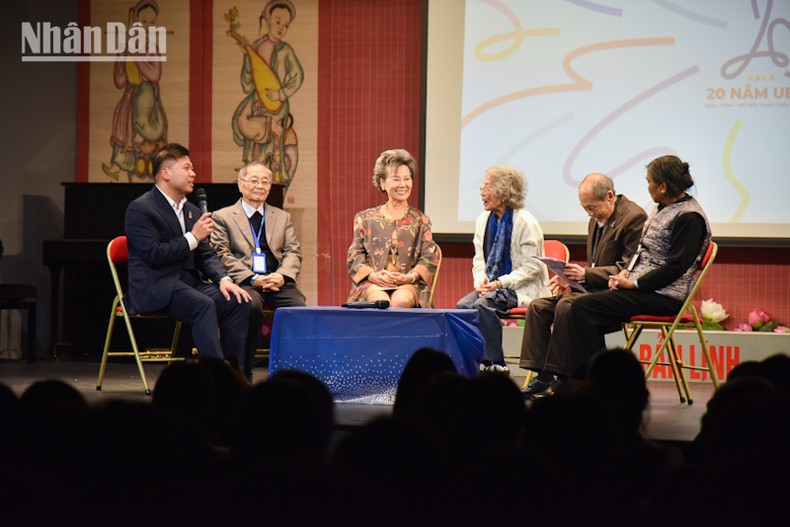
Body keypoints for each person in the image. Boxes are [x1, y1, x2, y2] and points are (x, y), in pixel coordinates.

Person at [546, 155, 711, 384]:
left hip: (664, 296)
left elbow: (675, 267)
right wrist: (625, 273)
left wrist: (634, 283)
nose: (648, 187)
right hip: (643, 289)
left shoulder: (690, 217)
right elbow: (642, 253)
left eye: (649, 181)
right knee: (579, 307)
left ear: (663, 186)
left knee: (580, 308)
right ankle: (592, 380)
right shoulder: (661, 208)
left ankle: (589, 382)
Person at [520, 173, 647, 398]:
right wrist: (569, 279)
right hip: (593, 290)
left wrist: (585, 274)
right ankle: (543, 375)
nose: (589, 213)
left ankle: (564, 377)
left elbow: (629, 267)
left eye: (592, 207)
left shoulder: (634, 217)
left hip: (617, 293)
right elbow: (596, 265)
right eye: (584, 208)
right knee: (538, 307)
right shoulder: (596, 219)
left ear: (610, 196)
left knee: (567, 306)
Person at [124, 143, 251, 367]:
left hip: (188, 282)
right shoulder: (141, 209)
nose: (193, 174)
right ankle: (215, 377)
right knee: (203, 305)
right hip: (156, 284)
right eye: (187, 168)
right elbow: (154, 254)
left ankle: (236, 374)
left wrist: (224, 279)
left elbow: (205, 254)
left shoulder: (190, 209)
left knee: (237, 301)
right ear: (165, 173)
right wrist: (193, 237)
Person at [211, 162, 306, 382]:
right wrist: (253, 278)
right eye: (254, 180)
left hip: (277, 281)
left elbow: (294, 251)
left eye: (265, 181)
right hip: (244, 281)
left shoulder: (281, 217)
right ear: (240, 185)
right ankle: (242, 373)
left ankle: (293, 373)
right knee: (248, 305)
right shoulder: (223, 216)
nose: (260, 186)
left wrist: (282, 275)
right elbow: (221, 254)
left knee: (299, 309)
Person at [456, 165, 550, 373]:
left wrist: (500, 283)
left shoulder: (525, 222)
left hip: (521, 288)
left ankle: (495, 363)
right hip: (491, 287)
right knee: (462, 306)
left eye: (488, 187)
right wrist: (481, 282)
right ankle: (472, 360)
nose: (482, 192)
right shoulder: (483, 220)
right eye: (483, 186)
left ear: (506, 193)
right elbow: (479, 259)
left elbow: (532, 267)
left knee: (483, 305)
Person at [347, 149, 440, 308]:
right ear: (382, 182)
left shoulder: (421, 220)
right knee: (380, 302)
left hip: (409, 284)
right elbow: (354, 256)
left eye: (407, 179)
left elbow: (429, 257)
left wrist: (410, 277)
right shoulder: (365, 219)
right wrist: (373, 275)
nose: (403, 185)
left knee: (400, 301)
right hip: (373, 282)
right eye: (396, 179)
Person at [230, 0, 303, 189]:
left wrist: (280, 93)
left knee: (273, 153)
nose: (281, 28)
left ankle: (274, 189)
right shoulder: (256, 45)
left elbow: (297, 75)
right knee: (247, 131)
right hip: (257, 105)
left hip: (276, 106)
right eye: (277, 22)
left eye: (285, 25)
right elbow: (247, 84)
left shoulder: (285, 50)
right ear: (268, 18)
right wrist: (247, 57)